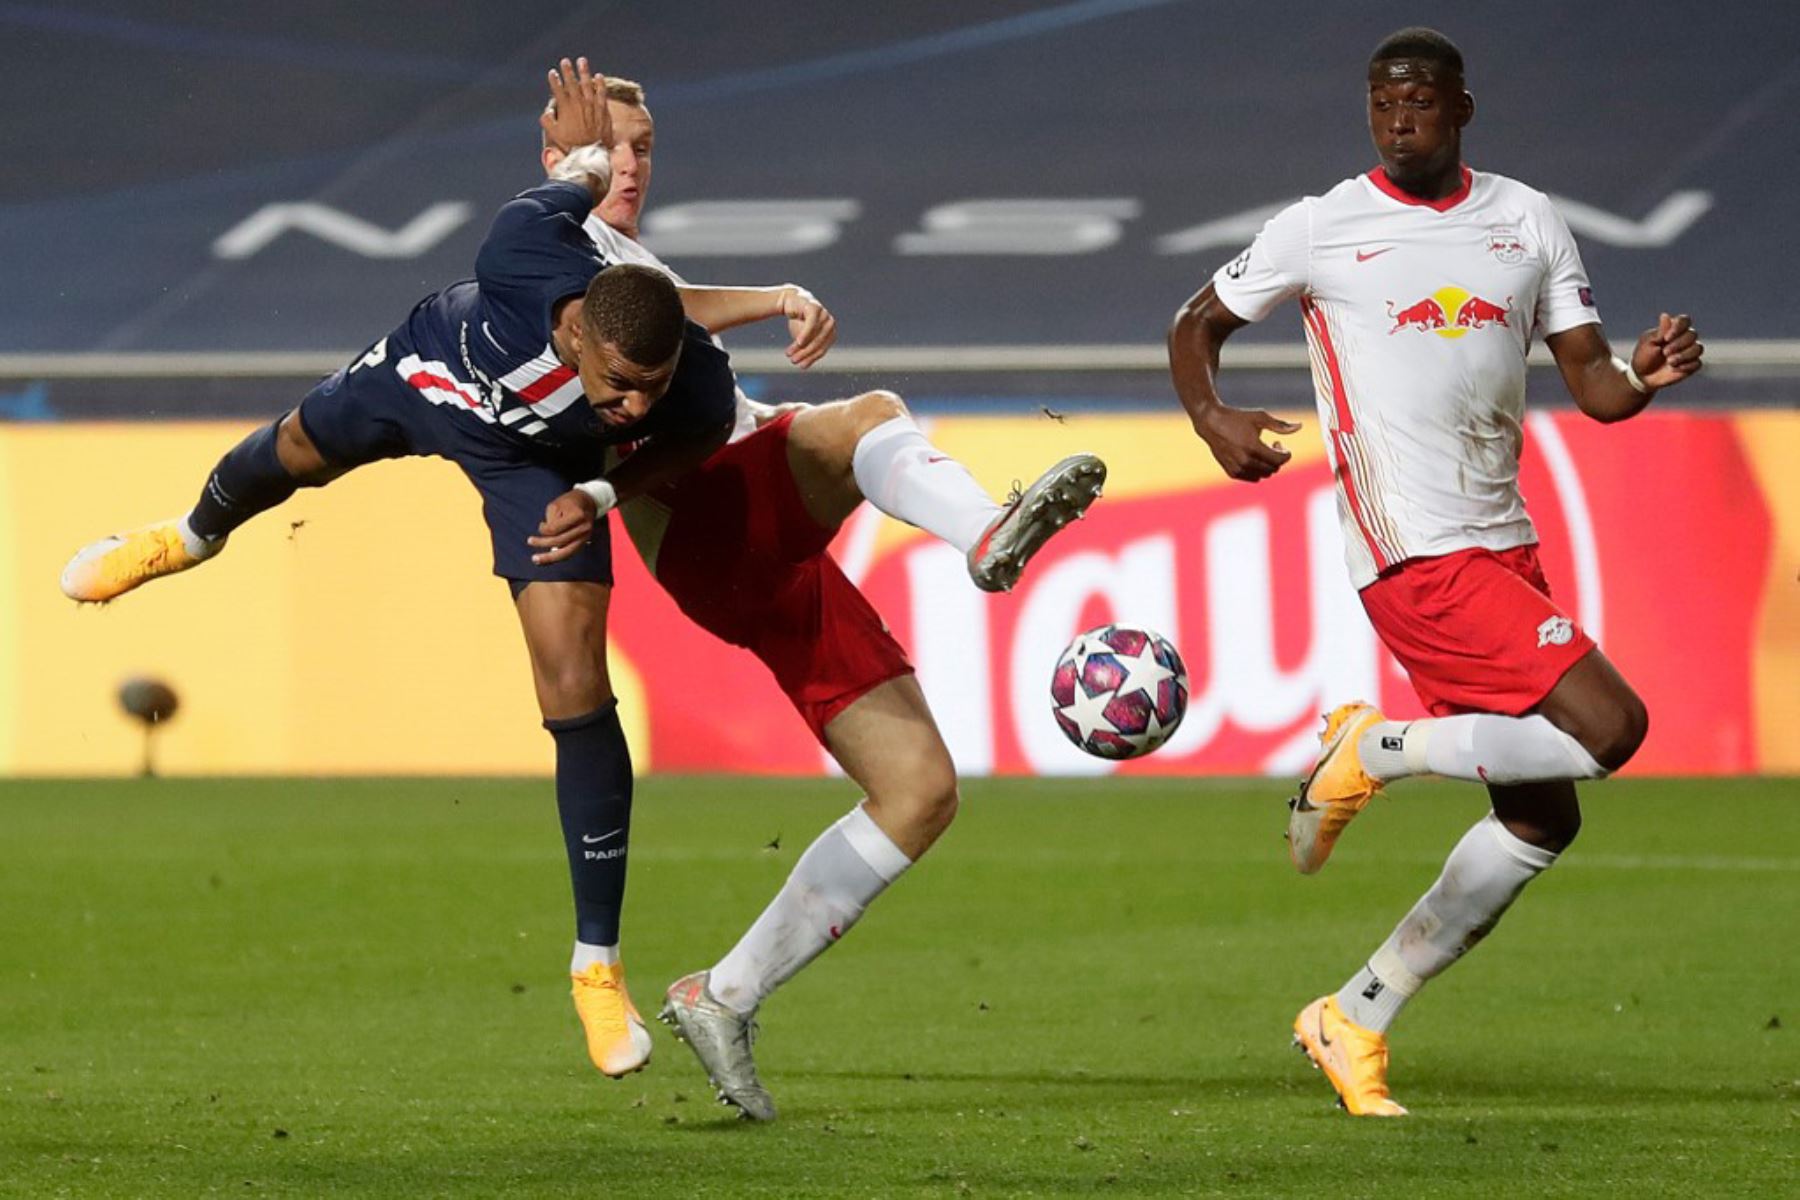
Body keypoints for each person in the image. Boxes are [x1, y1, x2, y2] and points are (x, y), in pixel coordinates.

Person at [59, 60, 791, 1085]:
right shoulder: (521, 254)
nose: (634, 409)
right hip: (433, 375)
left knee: (575, 683)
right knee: (285, 456)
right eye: (621, 388)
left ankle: (596, 966)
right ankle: (186, 537)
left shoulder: (691, 390)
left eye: (652, 390)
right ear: (577, 329)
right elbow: (562, 187)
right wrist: (584, 154)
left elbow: (681, 441)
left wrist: (609, 489)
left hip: (538, 468)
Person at [536, 76, 1108, 1120]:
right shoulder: (552, 268)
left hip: (764, 557)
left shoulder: (627, 268)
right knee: (866, 419)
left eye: (647, 146)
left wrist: (774, 296)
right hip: (710, 513)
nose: (632, 165)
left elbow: (674, 308)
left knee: (921, 789)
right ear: (562, 152)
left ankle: (725, 995)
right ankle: (985, 533)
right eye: (613, 146)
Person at [1167, 27, 1702, 1117]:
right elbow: (1196, 322)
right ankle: (1378, 748)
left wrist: (1641, 379)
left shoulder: (1526, 219)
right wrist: (1211, 414)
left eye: (1417, 98)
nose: (1397, 116)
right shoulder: (1321, 226)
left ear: (1463, 106)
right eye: (1380, 101)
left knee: (1542, 820)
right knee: (1615, 728)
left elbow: (1590, 384)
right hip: (1408, 541)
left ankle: (1353, 1014)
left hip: (1503, 536)